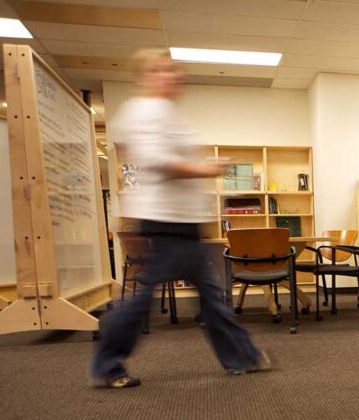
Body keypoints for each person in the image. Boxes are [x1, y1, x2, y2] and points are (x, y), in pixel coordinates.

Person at [89, 49, 270, 388]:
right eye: (163, 70)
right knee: (155, 297)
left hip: (183, 221)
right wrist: (206, 169)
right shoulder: (144, 111)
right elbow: (159, 162)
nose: (173, 76)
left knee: (208, 294)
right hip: (165, 220)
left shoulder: (168, 114)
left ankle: (242, 356)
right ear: (145, 76)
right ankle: (107, 362)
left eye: (174, 70)